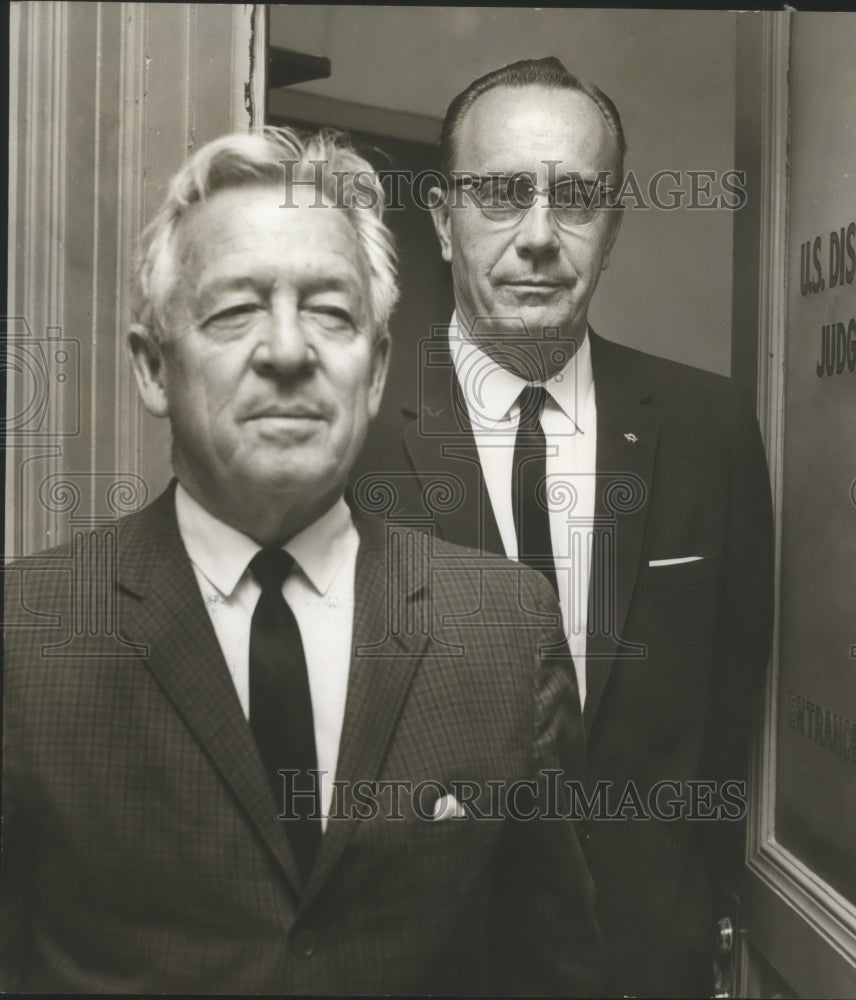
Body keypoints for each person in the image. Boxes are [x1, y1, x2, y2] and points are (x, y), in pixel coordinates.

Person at [0, 127, 600, 995]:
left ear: (377, 366)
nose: (287, 352)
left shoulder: (503, 628)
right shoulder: (24, 636)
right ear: (152, 367)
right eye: (235, 310)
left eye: (329, 310)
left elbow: (554, 969)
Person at [353, 57, 775, 997]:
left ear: (613, 225)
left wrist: (698, 903)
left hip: (644, 956)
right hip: (419, 961)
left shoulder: (707, 426)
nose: (539, 237)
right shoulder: (353, 431)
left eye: (575, 198)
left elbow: (729, 707)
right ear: (439, 218)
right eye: (501, 195)